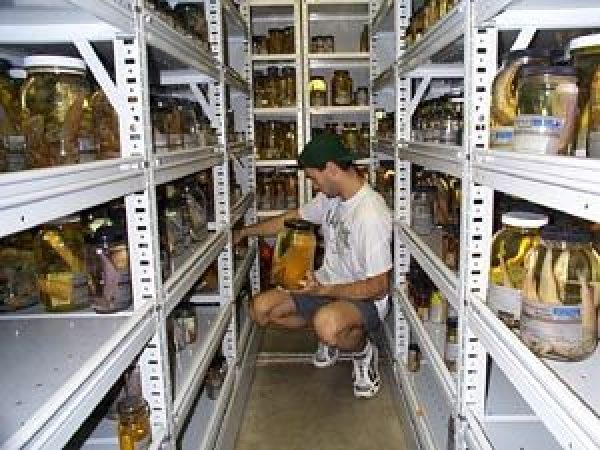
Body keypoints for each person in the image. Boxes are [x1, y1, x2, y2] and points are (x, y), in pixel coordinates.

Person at [236, 133, 392, 398]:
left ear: (331, 169)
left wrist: (322, 290)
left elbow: (378, 287)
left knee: (327, 325)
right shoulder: (331, 198)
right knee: (260, 310)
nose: (314, 185)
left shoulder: (370, 213)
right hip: (324, 285)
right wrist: (244, 233)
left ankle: (362, 350)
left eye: (313, 177)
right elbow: (291, 219)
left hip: (363, 298)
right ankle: (328, 334)